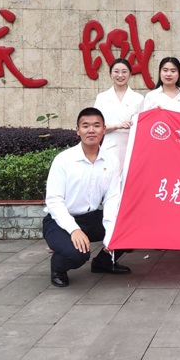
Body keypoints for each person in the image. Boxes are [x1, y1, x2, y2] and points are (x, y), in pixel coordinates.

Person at [43, 107, 130, 288]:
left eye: (96, 125)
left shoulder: (111, 160)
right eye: (85, 126)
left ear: (104, 129)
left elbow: (112, 198)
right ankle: (58, 267)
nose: (91, 130)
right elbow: (54, 201)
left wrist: (111, 235)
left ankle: (104, 262)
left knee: (130, 229)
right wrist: (74, 229)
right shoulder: (64, 160)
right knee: (78, 255)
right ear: (78, 130)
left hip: (92, 218)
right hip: (60, 221)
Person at [93, 58, 144, 170]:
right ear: (111, 74)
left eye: (124, 72)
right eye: (116, 71)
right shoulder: (102, 97)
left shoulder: (138, 98)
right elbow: (96, 126)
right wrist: (118, 126)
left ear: (130, 74)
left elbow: (144, 126)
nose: (120, 75)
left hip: (131, 147)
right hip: (110, 146)